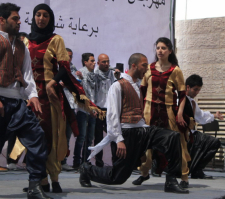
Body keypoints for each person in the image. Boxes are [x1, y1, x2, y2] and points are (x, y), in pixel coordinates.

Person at [79, 53, 188, 193]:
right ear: (134, 66)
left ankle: (171, 180)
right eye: (144, 65)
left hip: (143, 130)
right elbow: (112, 116)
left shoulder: (137, 85)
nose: (146, 69)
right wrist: (119, 139)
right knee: (117, 178)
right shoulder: (117, 86)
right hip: (128, 133)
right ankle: (86, 169)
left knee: (172, 137)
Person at [25, 3, 102, 193]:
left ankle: (54, 178)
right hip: (31, 96)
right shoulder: (26, 41)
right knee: (33, 139)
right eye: (38, 15)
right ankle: (37, 179)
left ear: (50, 19)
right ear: (33, 17)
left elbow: (64, 68)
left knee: (52, 137)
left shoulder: (56, 39)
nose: (41, 18)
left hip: (50, 95)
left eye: (45, 15)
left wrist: (52, 82)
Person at [0, 2, 51, 199]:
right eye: (15, 18)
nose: (19, 22)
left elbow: (28, 75)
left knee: (37, 136)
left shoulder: (23, 46)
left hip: (17, 103)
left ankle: (34, 186)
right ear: (2, 20)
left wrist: (32, 96)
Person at [133, 37, 189, 188]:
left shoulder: (175, 70)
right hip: (149, 110)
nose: (160, 51)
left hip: (168, 111)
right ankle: (144, 174)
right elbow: (142, 92)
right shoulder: (149, 69)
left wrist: (179, 114)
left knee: (177, 143)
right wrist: (139, 111)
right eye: (158, 48)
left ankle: (184, 177)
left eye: (163, 48)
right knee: (146, 143)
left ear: (170, 51)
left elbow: (183, 94)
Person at [184, 74, 223, 179]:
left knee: (213, 142)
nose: (197, 93)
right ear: (188, 87)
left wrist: (214, 116)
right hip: (179, 133)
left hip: (189, 133)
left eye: (198, 90)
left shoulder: (192, 102)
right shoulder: (179, 99)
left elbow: (200, 116)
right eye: (195, 89)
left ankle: (197, 169)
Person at [93, 53, 118, 166]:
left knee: (113, 136)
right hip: (98, 109)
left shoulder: (113, 74)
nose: (107, 64)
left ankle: (116, 162)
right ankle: (99, 163)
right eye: (104, 62)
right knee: (98, 137)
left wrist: (118, 77)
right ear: (98, 63)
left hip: (110, 109)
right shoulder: (93, 75)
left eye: (108, 61)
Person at [73, 53, 97, 169]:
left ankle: (86, 161)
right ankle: (77, 162)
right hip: (83, 110)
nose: (94, 63)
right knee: (81, 137)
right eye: (91, 61)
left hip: (93, 110)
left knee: (90, 138)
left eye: (94, 61)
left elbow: (94, 92)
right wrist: (80, 79)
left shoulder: (94, 74)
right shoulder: (79, 73)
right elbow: (81, 92)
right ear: (85, 62)